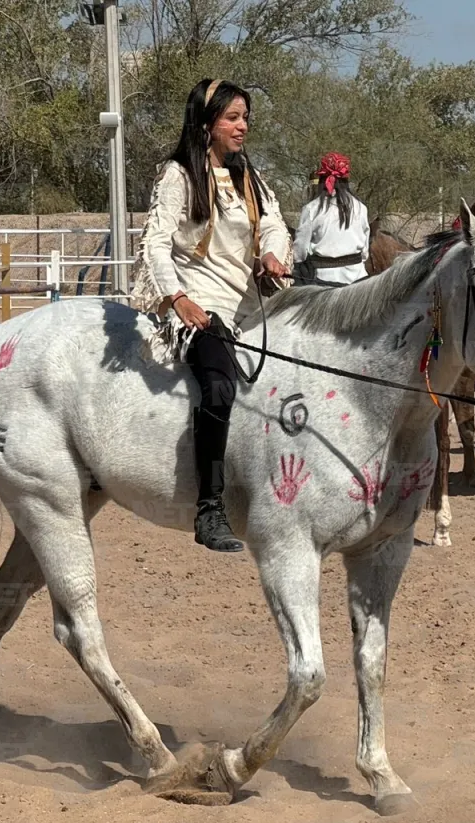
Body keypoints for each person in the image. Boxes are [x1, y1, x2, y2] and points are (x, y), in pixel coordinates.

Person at [129, 78, 292, 552]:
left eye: (245, 118)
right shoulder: (178, 176)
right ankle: (210, 507)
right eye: (233, 118)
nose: (243, 127)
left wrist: (272, 255)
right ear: (206, 125)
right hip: (200, 303)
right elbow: (156, 244)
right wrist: (178, 298)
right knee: (220, 385)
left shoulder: (249, 176)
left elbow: (276, 225)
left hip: (252, 304)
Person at [291, 153, 370, 286]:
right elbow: (365, 252)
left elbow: (300, 253)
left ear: (322, 179)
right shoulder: (361, 208)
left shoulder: (312, 209)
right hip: (358, 281)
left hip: (324, 281)